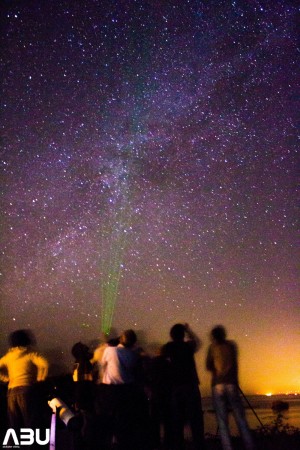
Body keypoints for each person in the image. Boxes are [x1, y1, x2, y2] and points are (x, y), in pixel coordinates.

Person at [96, 329, 149, 450]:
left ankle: (109, 443)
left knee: (108, 420)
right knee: (124, 422)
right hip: (127, 391)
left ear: (121, 338)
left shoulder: (110, 350)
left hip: (109, 391)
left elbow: (102, 363)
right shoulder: (134, 355)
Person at [206, 325, 255, 450]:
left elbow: (208, 366)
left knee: (222, 421)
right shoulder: (232, 345)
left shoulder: (212, 347)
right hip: (232, 383)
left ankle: (228, 447)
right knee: (240, 418)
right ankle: (250, 445)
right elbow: (235, 363)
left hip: (218, 385)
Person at [161, 323, 205, 450]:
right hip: (191, 385)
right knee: (195, 419)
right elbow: (197, 342)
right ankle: (199, 445)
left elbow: (163, 359)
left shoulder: (168, 347)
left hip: (176, 386)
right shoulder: (188, 346)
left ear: (171, 335)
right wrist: (188, 330)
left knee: (177, 419)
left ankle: (178, 445)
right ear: (183, 334)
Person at [0, 329, 48, 431]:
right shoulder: (30, 353)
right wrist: (40, 379)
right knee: (30, 423)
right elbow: (45, 365)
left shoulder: (8, 356)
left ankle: (12, 446)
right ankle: (31, 446)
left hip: (11, 391)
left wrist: (6, 379)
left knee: (14, 425)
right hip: (27, 390)